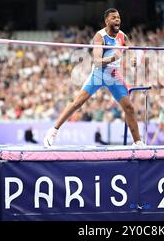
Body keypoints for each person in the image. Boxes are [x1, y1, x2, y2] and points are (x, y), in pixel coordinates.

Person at [44, 8, 145, 147]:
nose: (117, 20)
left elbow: (131, 50)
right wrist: (112, 58)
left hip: (114, 75)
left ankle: (137, 142)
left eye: (119, 18)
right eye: (114, 18)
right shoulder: (100, 37)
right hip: (99, 73)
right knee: (78, 103)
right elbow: (97, 61)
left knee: (129, 108)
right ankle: (53, 131)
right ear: (106, 21)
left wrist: (134, 58)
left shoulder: (122, 36)